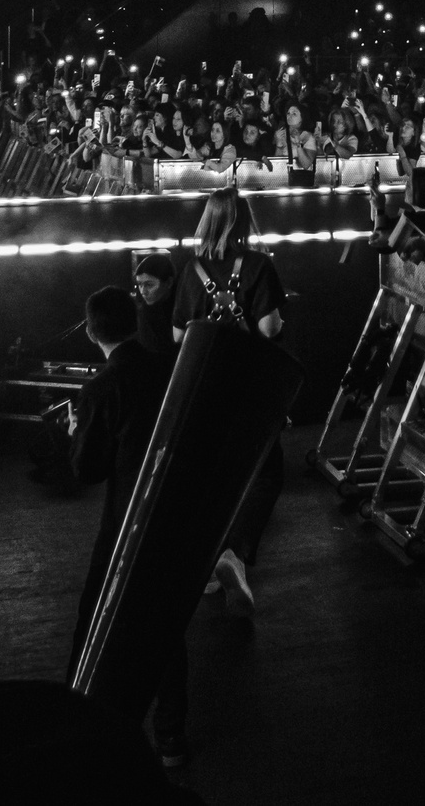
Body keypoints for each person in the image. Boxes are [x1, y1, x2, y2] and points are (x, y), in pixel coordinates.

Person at [68, 285, 188, 766]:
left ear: (92, 331)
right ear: (135, 322)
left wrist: (77, 434)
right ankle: (171, 736)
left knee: (95, 621)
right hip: (170, 515)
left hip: (122, 524)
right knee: (165, 628)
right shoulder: (169, 370)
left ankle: (86, 722)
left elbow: (87, 470)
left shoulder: (100, 389)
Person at [172, 188, 285, 617]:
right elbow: (270, 329)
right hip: (250, 386)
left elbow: (180, 336)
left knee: (208, 476)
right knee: (264, 475)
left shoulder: (191, 269)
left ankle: (203, 560)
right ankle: (234, 554)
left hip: (204, 388)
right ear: (243, 223)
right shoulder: (258, 266)